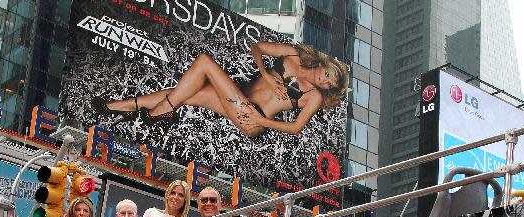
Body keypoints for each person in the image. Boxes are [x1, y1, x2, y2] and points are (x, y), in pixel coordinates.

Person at [94, 42, 349, 138]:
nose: (324, 81)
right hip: (239, 98)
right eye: (327, 75)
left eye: (329, 84)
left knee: (204, 62)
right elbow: (257, 47)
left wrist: (260, 119)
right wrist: (265, 75)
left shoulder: (312, 96)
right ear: (325, 65)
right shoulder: (294, 54)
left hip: (251, 117)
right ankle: (128, 106)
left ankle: (159, 110)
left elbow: (295, 128)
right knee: (187, 92)